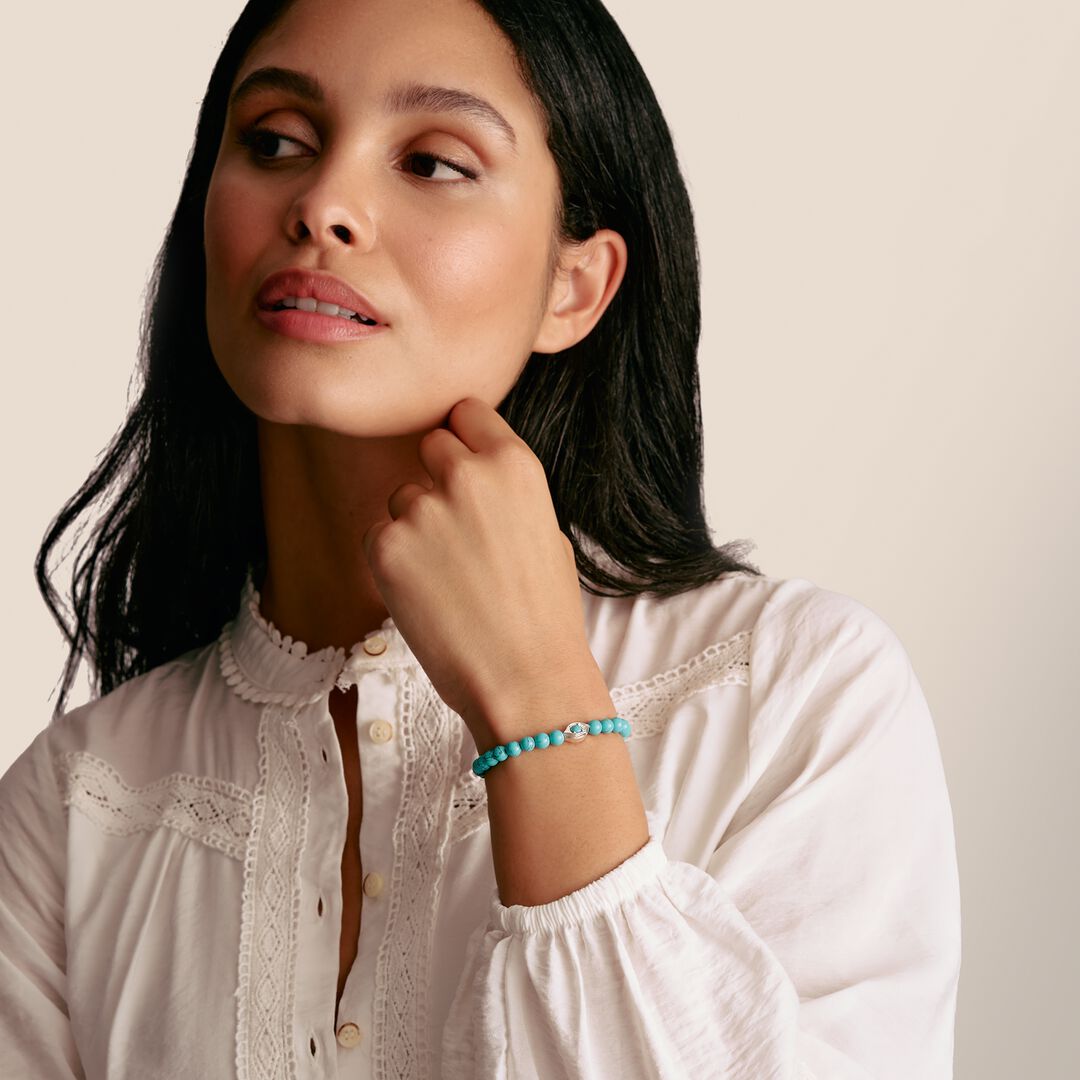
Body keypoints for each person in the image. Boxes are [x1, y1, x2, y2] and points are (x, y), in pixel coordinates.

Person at [0, 0, 962, 1076]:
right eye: (274, 141)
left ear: (575, 286)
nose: (323, 204)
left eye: (434, 161)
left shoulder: (789, 697)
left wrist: (542, 696)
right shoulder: (77, 806)